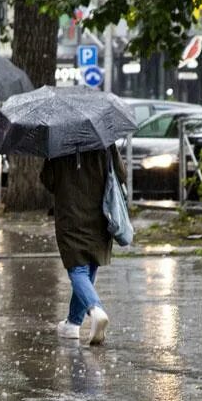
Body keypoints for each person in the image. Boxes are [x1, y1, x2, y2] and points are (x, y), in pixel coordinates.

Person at [40, 145, 126, 345]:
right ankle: (73, 323)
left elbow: (49, 181)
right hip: (100, 213)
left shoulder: (58, 144)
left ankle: (95, 310)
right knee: (90, 265)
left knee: (78, 269)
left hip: (70, 215)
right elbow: (120, 173)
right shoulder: (103, 142)